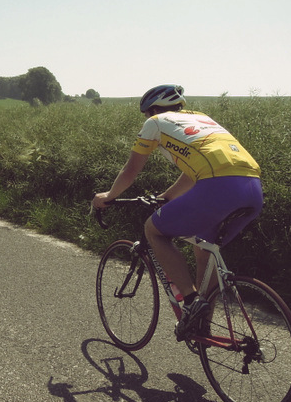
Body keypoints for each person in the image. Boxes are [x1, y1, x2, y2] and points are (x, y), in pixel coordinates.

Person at [91, 84, 263, 341]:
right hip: (253, 190)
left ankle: (191, 301)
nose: (146, 118)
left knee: (153, 231)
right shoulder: (202, 119)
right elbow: (194, 172)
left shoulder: (156, 122)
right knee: (205, 249)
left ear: (153, 110)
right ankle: (201, 326)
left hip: (218, 187)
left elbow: (130, 171)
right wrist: (168, 197)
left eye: (146, 113)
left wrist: (108, 196)